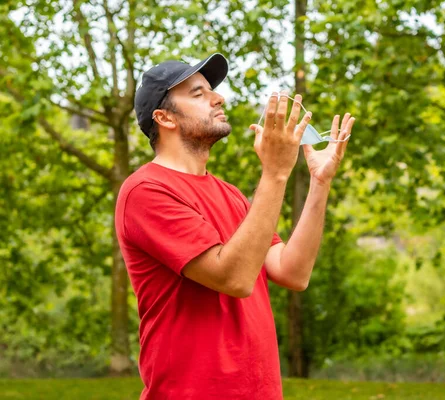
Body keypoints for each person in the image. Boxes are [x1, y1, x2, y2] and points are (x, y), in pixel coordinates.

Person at [115, 53, 355, 399]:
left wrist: (320, 182)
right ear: (164, 117)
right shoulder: (146, 192)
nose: (218, 98)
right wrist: (274, 172)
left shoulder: (230, 195)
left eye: (212, 90)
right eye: (198, 94)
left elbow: (293, 272)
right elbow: (234, 278)